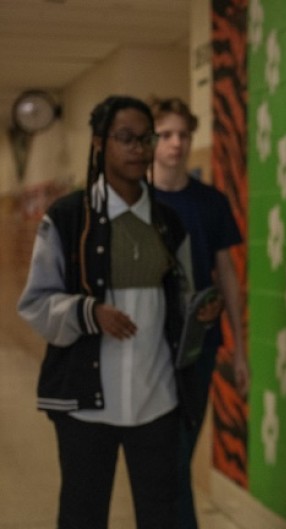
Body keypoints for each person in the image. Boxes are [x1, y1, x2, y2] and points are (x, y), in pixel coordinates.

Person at [17, 95, 194, 529]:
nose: (138, 148)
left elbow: (183, 298)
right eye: (125, 138)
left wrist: (198, 316)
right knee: (83, 514)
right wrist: (89, 312)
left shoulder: (168, 222)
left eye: (144, 138)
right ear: (99, 144)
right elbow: (35, 303)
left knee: (162, 514)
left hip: (157, 401)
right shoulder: (67, 217)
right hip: (87, 406)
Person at [149, 96, 249, 529]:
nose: (175, 143)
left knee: (179, 452)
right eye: (166, 134)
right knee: (159, 459)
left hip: (198, 346)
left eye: (183, 135)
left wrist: (241, 350)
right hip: (145, 348)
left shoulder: (210, 202)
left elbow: (226, 272)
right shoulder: (132, 200)